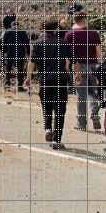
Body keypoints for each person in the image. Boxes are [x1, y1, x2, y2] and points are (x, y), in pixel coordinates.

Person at [25, 20, 73, 150]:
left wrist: (28, 78)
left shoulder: (38, 43)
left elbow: (31, 62)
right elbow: (73, 61)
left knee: (46, 105)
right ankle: (57, 140)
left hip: (45, 80)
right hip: (60, 80)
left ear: (43, 29)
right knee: (60, 110)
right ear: (56, 29)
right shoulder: (64, 43)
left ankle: (47, 128)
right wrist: (76, 75)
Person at [65, 12, 102, 130]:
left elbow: (67, 55)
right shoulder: (94, 33)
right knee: (92, 93)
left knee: (81, 96)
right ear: (84, 19)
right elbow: (99, 53)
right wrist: (100, 68)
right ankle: (95, 115)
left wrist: (66, 69)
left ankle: (81, 122)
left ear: (74, 20)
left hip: (78, 67)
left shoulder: (69, 35)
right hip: (93, 66)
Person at [1, 14, 31, 91]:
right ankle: (19, 86)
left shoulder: (7, 32)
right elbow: (27, 43)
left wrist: (3, 53)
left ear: (11, 25)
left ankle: (7, 84)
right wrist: (28, 53)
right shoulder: (22, 31)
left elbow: (3, 44)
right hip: (20, 53)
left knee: (8, 68)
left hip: (10, 53)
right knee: (20, 69)